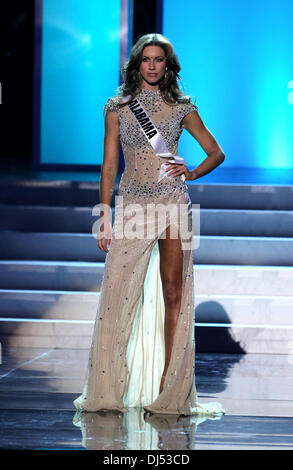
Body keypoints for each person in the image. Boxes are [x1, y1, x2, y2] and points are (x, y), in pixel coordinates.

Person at [73, 33, 225, 416]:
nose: (153, 66)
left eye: (159, 60)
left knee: (173, 292)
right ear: (136, 63)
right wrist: (103, 215)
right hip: (133, 206)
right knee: (117, 293)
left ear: (167, 66)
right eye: (147, 59)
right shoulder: (118, 107)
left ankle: (167, 390)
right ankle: (110, 388)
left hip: (173, 204)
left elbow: (216, 151)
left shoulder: (182, 107)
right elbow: (109, 166)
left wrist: (190, 173)